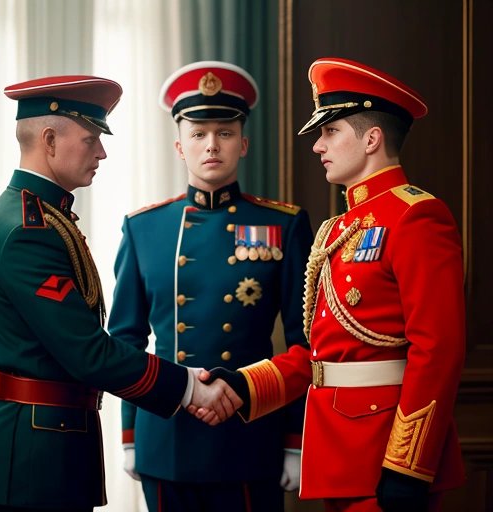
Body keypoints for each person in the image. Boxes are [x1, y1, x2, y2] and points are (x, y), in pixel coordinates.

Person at [197, 57, 467, 512]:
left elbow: (439, 349)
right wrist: (245, 385)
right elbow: (321, 356)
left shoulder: (415, 215)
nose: (319, 146)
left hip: (385, 454)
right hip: (339, 451)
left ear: (372, 139)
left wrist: (407, 465)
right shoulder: (337, 228)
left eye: (330, 132)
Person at [0, 75, 241, 512]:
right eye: (90, 138)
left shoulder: (42, 215)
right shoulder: (27, 230)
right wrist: (189, 387)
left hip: (47, 446)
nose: (101, 151)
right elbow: (87, 352)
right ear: (49, 140)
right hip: (30, 462)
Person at [107, 61, 313, 512]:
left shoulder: (284, 224)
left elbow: (307, 344)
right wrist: (129, 436)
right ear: (180, 146)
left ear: (244, 143)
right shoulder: (145, 228)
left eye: (224, 131)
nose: (211, 145)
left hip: (249, 433)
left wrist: (295, 441)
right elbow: (125, 341)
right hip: (166, 433)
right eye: (198, 133)